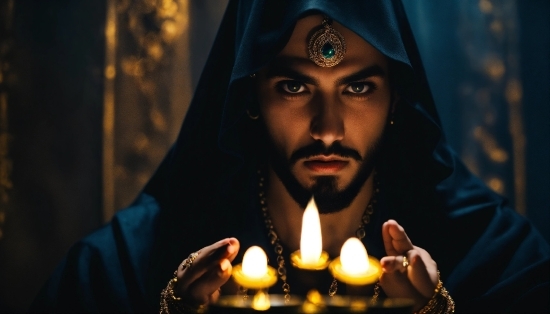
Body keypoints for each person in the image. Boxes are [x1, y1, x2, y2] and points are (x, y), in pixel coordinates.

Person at [31, 0, 550, 313]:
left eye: (358, 88)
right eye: (295, 86)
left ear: (397, 99)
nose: (328, 129)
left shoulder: (490, 256)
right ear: (251, 97)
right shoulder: (134, 264)